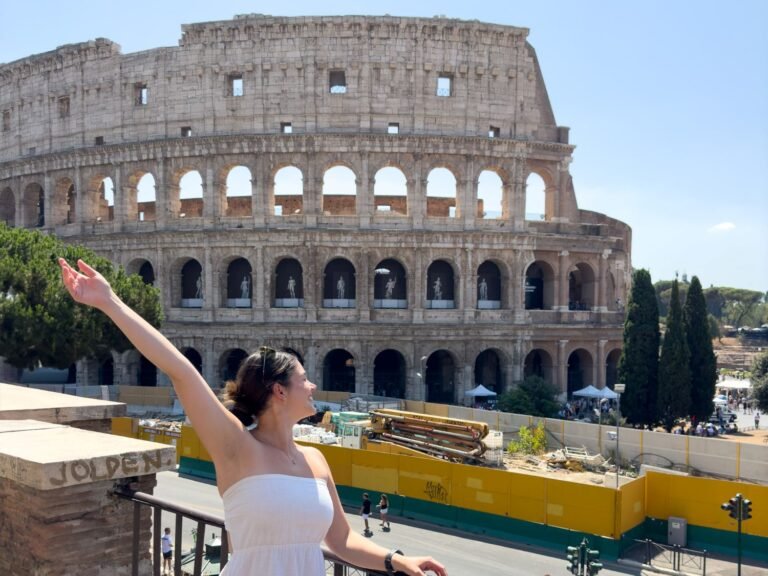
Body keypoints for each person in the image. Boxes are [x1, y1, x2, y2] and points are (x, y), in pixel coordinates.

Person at [58, 258, 446, 576]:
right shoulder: (236, 447)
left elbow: (341, 540)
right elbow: (180, 369)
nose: (313, 387)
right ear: (279, 391)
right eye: (304, 380)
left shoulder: (315, 460)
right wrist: (110, 302)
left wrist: (396, 560)